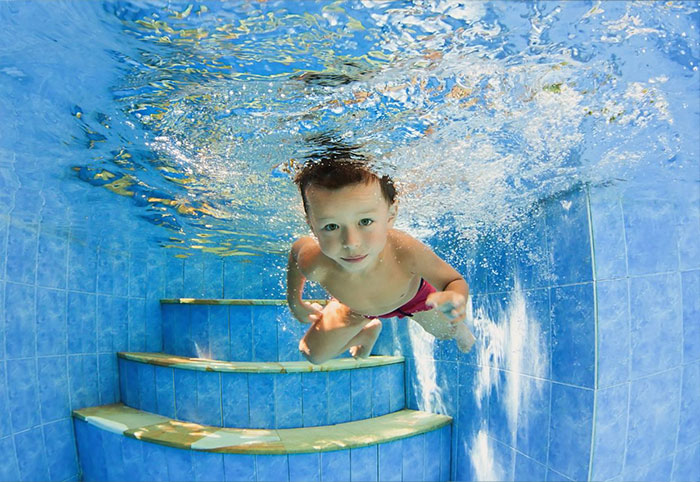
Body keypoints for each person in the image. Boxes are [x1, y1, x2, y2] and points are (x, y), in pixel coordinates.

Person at [286, 150, 475, 365]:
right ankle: (367, 332)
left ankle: (459, 328)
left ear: (390, 215)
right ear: (312, 225)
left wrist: (454, 298)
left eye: (365, 222)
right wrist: (296, 302)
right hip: (355, 308)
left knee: (446, 332)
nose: (351, 242)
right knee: (311, 354)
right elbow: (295, 253)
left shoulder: (405, 250)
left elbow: (454, 281)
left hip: (415, 299)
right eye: (331, 226)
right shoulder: (315, 262)